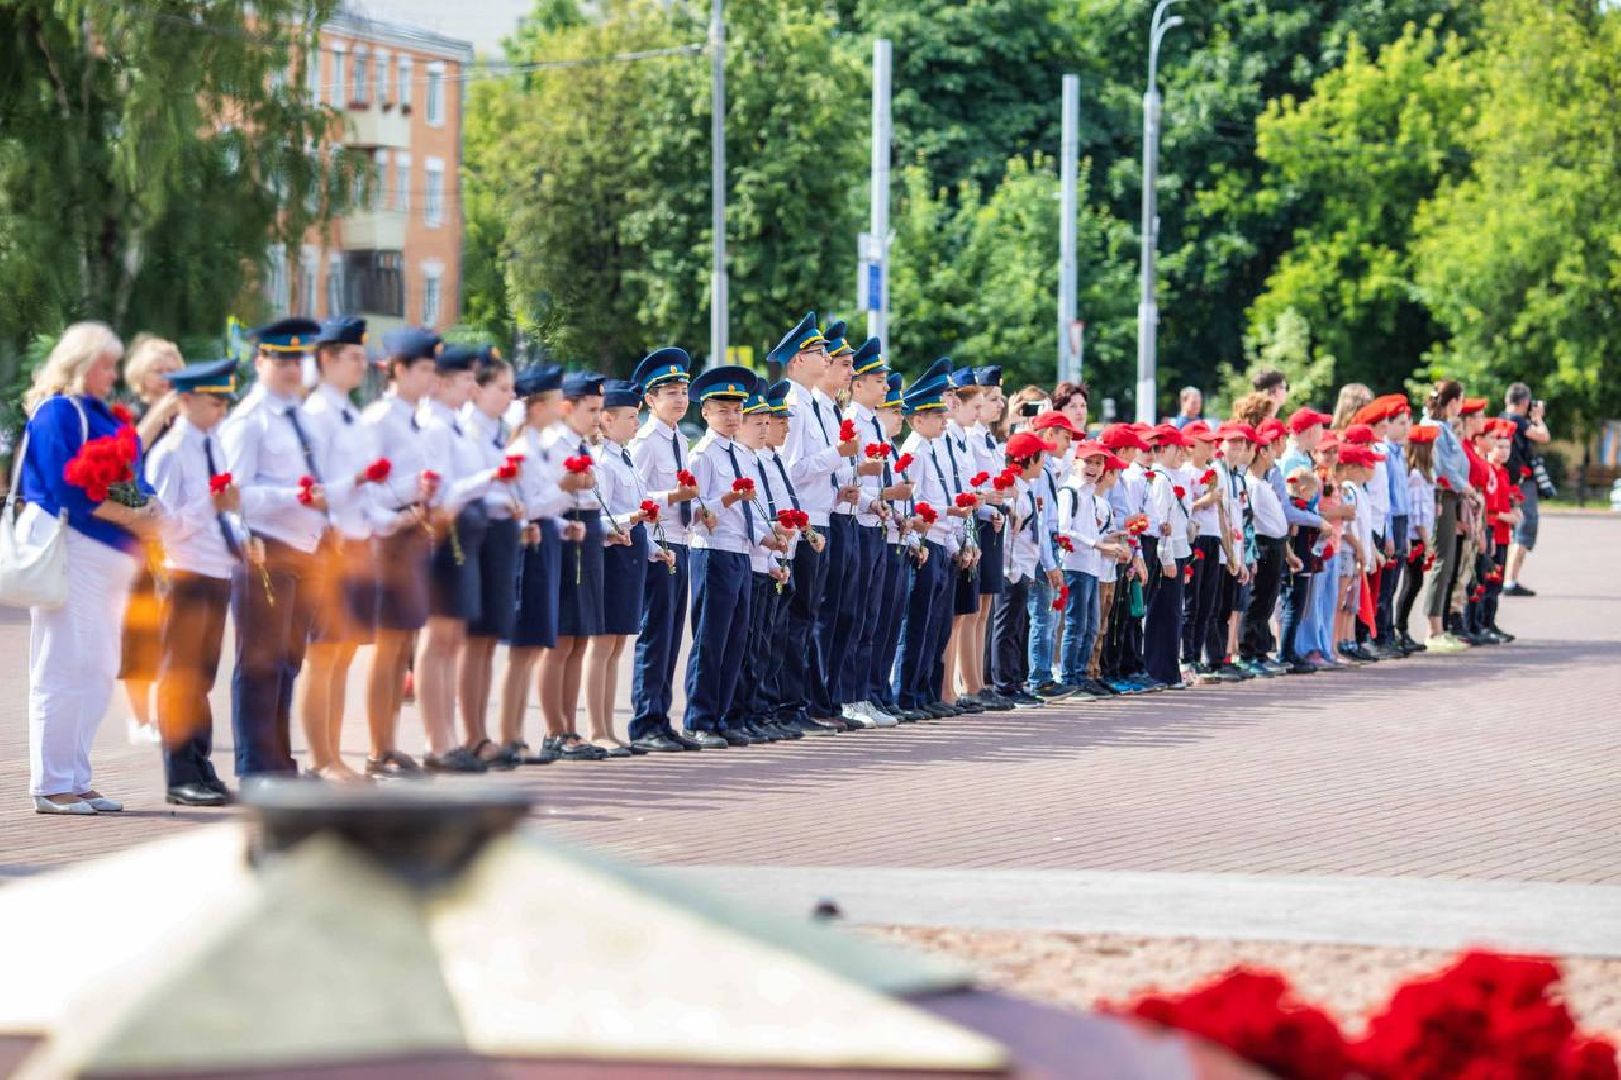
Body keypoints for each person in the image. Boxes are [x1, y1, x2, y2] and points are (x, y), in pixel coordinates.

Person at [19, 322, 158, 814]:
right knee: (62, 664)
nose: (113, 373)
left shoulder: (101, 414)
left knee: (97, 669)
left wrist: (147, 507)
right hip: (73, 551)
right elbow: (65, 490)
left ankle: (75, 777)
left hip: (108, 558)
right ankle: (52, 782)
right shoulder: (58, 412)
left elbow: (131, 479)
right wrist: (132, 515)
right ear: (78, 363)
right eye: (105, 363)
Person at [220, 317, 326, 783]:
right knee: (260, 661)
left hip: (304, 549)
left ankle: (279, 762)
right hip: (265, 547)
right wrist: (295, 498)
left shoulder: (298, 415)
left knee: (288, 661)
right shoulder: (250, 420)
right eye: (281, 358)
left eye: (297, 359)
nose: (290, 368)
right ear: (260, 360)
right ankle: (256, 767)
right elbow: (231, 494)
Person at [144, 358, 244, 807]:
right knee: (179, 676)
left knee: (201, 676)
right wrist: (212, 504)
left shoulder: (213, 443)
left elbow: (227, 508)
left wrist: (240, 538)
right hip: (183, 570)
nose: (221, 409)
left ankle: (200, 765)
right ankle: (179, 773)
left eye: (225, 400)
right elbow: (162, 524)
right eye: (213, 400)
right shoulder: (170, 452)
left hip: (216, 567)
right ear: (185, 400)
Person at [297, 316, 382, 783]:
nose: (360, 366)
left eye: (362, 358)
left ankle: (334, 754)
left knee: (345, 651)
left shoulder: (349, 412)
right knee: (324, 652)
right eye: (352, 358)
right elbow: (311, 488)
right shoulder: (315, 415)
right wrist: (356, 482)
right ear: (326, 359)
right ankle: (319, 758)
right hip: (330, 544)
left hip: (358, 541)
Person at [415, 344, 502, 773]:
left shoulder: (453, 426)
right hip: (444, 532)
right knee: (438, 639)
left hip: (465, 531)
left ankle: (451, 737)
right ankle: (438, 740)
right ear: (441, 383)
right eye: (466, 378)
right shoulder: (433, 425)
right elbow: (444, 491)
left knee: (451, 640)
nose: (473, 385)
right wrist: (491, 478)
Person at [359, 327, 440, 779]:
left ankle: (389, 744)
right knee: (387, 647)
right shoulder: (379, 419)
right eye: (424, 369)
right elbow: (368, 485)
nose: (431, 377)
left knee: (404, 643)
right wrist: (401, 511)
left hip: (415, 531)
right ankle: (376, 748)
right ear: (400, 370)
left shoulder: (415, 417)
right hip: (391, 535)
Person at [681, 365, 765, 747]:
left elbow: (753, 511)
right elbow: (694, 516)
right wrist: (728, 498)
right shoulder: (702, 456)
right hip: (712, 552)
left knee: (736, 638)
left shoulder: (742, 454)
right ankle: (700, 718)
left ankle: (723, 714)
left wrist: (769, 536)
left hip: (740, 551)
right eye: (723, 410)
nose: (732, 417)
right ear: (707, 413)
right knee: (711, 639)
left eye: (737, 410)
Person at [628, 347, 705, 752]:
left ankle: (662, 716)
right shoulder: (645, 442)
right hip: (657, 544)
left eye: (682, 390)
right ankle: (645, 722)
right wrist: (675, 496)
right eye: (669, 392)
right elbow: (635, 498)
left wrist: (696, 508)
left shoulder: (678, 438)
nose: (679, 399)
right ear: (650, 399)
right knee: (655, 635)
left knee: (674, 637)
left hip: (680, 542)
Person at [776, 313, 849, 736]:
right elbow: (793, 470)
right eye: (818, 352)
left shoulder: (812, 405)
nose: (826, 357)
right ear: (797, 361)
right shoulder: (794, 405)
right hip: (803, 521)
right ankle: (791, 702)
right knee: (798, 616)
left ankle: (800, 701)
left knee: (808, 614)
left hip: (820, 516)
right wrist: (837, 455)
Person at [588, 378, 668, 755]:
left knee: (618, 644)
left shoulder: (624, 457)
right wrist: (630, 520)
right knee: (602, 645)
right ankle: (596, 726)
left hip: (631, 552)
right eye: (629, 416)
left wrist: (655, 549)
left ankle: (609, 727)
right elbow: (600, 516)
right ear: (606, 419)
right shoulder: (601, 460)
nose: (636, 423)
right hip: (611, 553)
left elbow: (639, 513)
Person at [498, 364, 571, 762]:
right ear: (538, 407)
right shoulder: (523, 450)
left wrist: (561, 525)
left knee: (532, 647)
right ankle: (510, 735)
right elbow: (524, 506)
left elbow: (540, 505)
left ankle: (515, 734)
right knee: (523, 647)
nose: (561, 408)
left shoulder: (537, 446)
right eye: (556, 401)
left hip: (546, 542)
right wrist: (563, 490)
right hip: (530, 548)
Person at [538, 372, 613, 760]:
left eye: (600, 410)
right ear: (567, 407)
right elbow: (546, 492)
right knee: (562, 639)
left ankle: (570, 726)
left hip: (588, 530)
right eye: (591, 409)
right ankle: (555, 729)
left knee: (581, 637)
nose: (598, 417)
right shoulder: (553, 443)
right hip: (566, 533)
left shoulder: (582, 443)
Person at [117, 334, 184, 745]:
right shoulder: (128, 415)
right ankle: (139, 718)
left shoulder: (187, 418)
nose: (169, 377)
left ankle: (167, 712)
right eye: (161, 370)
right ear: (141, 375)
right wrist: (159, 415)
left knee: (176, 632)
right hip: (139, 540)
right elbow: (126, 458)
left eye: (175, 369)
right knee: (140, 632)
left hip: (180, 540)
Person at [457, 351, 523, 767]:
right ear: (477, 389)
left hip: (499, 532)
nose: (509, 396)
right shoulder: (469, 429)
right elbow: (472, 484)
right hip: (475, 531)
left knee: (485, 643)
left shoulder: (498, 430)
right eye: (502, 388)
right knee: (472, 641)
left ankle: (481, 734)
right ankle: (471, 735)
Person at [730, 378, 798, 740]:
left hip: (773, 557)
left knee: (768, 641)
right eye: (761, 421)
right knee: (749, 641)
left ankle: (760, 709)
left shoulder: (767, 459)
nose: (773, 427)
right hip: (751, 557)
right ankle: (745, 711)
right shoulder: (742, 458)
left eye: (769, 421)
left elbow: (780, 506)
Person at [836, 336, 896, 729]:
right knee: (852, 613)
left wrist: (881, 498)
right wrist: (871, 496)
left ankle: (863, 693)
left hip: (876, 522)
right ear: (858, 384)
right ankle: (847, 696)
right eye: (878, 380)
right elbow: (845, 473)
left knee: (870, 616)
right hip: (856, 522)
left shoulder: (875, 422)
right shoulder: (852, 421)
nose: (886, 387)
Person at [894, 372, 961, 717]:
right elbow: (913, 503)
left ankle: (926, 693)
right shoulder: (914, 451)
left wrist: (953, 541)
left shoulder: (933, 448)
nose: (943, 421)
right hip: (921, 541)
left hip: (939, 541)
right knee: (917, 623)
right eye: (936, 416)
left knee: (937, 625)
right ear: (917, 419)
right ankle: (907, 694)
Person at [813, 320, 863, 729]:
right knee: (822, 614)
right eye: (843, 363)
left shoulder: (831, 409)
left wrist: (846, 482)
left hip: (840, 514)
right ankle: (818, 699)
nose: (849, 371)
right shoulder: (808, 406)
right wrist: (838, 460)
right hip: (822, 520)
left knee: (845, 613)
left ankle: (831, 697)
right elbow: (799, 467)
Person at [990, 432, 1060, 706]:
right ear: (1028, 459)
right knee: (1006, 627)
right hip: (1012, 568)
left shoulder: (1026, 488)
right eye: (1041, 456)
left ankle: (1014, 681)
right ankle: (1004, 684)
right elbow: (1007, 533)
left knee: (1017, 626)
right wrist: (1012, 569)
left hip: (1024, 567)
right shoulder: (1012, 489)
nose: (1044, 462)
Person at [1025, 411, 1078, 697]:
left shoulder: (1046, 469)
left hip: (1048, 547)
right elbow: (1040, 521)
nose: (1068, 444)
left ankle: (1041, 673)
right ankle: (1039, 677)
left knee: (1048, 616)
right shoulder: (1039, 470)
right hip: (1040, 550)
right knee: (1042, 617)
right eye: (1065, 436)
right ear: (1049, 434)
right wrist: (1048, 562)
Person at [1142, 424, 1193, 688]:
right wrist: (1167, 558)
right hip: (1168, 554)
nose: (1182, 453)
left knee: (1172, 613)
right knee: (1164, 614)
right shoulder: (1160, 479)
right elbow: (1161, 523)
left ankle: (1167, 669)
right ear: (1164, 448)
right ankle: (1160, 670)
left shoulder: (1172, 477)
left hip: (1179, 549)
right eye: (1177, 447)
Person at [1422, 380, 1472, 654]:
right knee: (1443, 560)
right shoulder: (1436, 429)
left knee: (1448, 560)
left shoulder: (1442, 428)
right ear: (1452, 402)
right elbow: (1442, 467)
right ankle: (1434, 628)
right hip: (1442, 497)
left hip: (1450, 497)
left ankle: (1438, 625)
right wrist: (1465, 487)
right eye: (1460, 401)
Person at [1500, 383, 1549, 597]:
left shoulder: (1501, 418)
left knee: (1507, 528)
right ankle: (1510, 580)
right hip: (1521, 481)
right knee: (1525, 526)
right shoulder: (1518, 421)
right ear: (1525, 403)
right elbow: (1543, 436)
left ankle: (1505, 578)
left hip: (1506, 479)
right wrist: (1538, 418)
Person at [1393, 422, 1438, 653]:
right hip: (1417, 537)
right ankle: (1400, 628)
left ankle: (1402, 628)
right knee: (1412, 584)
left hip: (1418, 535)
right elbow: (1418, 514)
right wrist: (1427, 542)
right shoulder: (1418, 477)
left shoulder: (1418, 475)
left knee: (1413, 583)